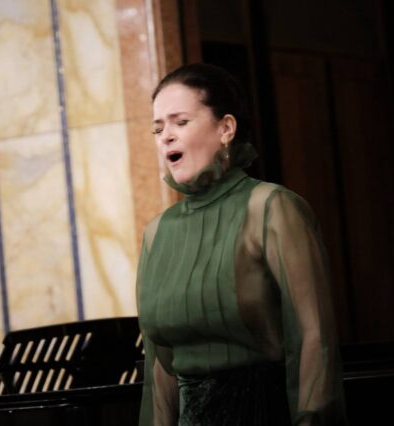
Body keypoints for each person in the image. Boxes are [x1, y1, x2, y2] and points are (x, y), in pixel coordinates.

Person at [137, 63, 347, 425]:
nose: (165, 137)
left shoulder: (272, 207)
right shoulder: (157, 233)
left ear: (226, 129)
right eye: (158, 128)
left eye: (180, 122)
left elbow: (314, 336)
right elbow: (160, 367)